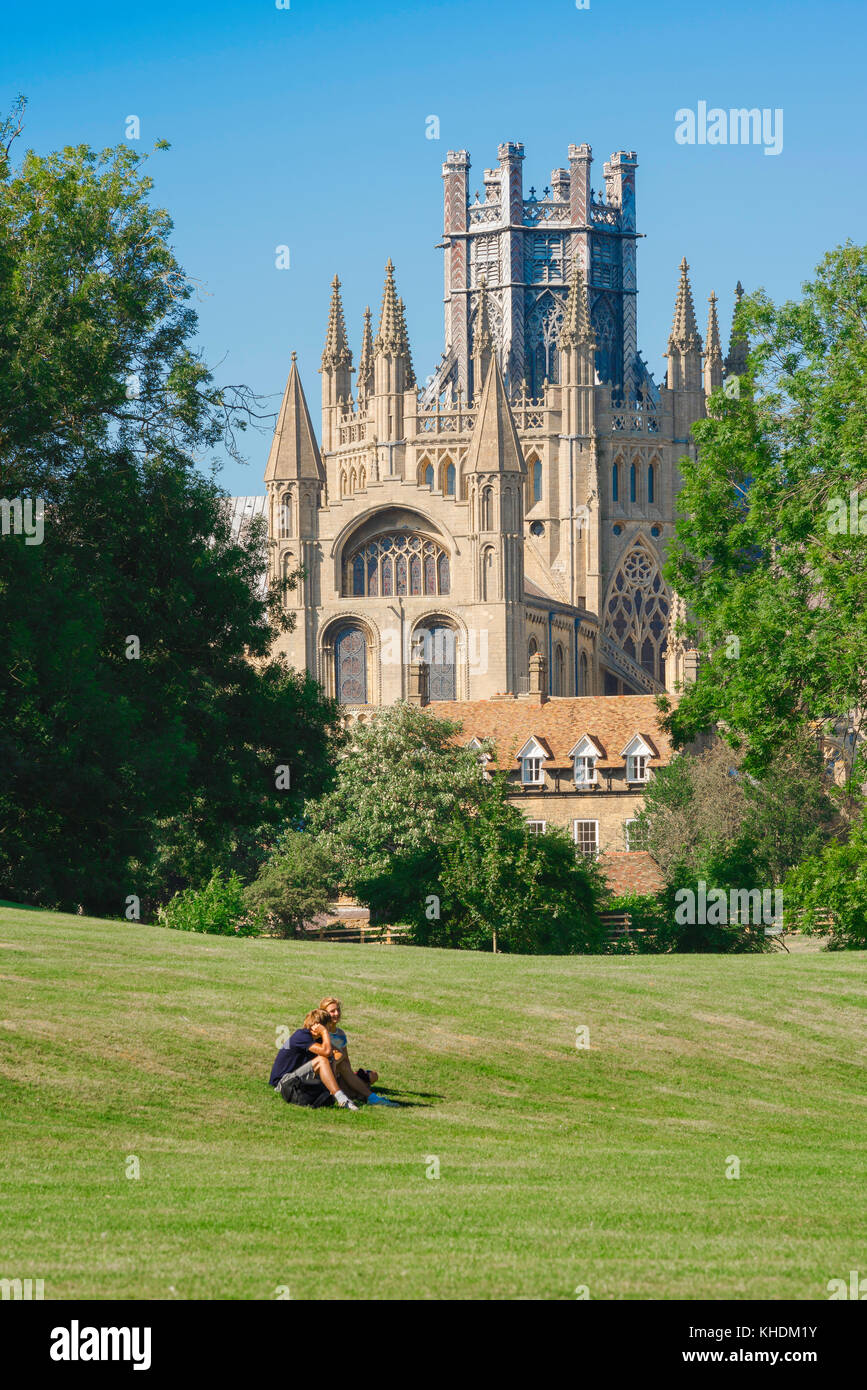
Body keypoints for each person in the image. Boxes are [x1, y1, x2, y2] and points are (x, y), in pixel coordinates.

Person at [269, 1008, 359, 1110]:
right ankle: (341, 1097)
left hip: (297, 1079)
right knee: (322, 1060)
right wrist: (324, 1032)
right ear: (318, 1026)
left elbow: (339, 1053)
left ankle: (335, 1094)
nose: (330, 1028)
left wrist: (332, 1061)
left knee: (328, 1059)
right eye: (328, 1025)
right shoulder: (302, 1035)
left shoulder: (318, 1039)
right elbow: (327, 1052)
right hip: (283, 1082)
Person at [318, 996, 400, 1107]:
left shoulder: (341, 1034)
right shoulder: (321, 1032)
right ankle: (370, 1097)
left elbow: (346, 1060)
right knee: (344, 1066)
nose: (337, 1013)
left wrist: (349, 1077)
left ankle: (360, 1093)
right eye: (332, 1011)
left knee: (372, 1076)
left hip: (341, 1074)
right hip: (327, 1074)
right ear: (325, 1013)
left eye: (338, 1010)